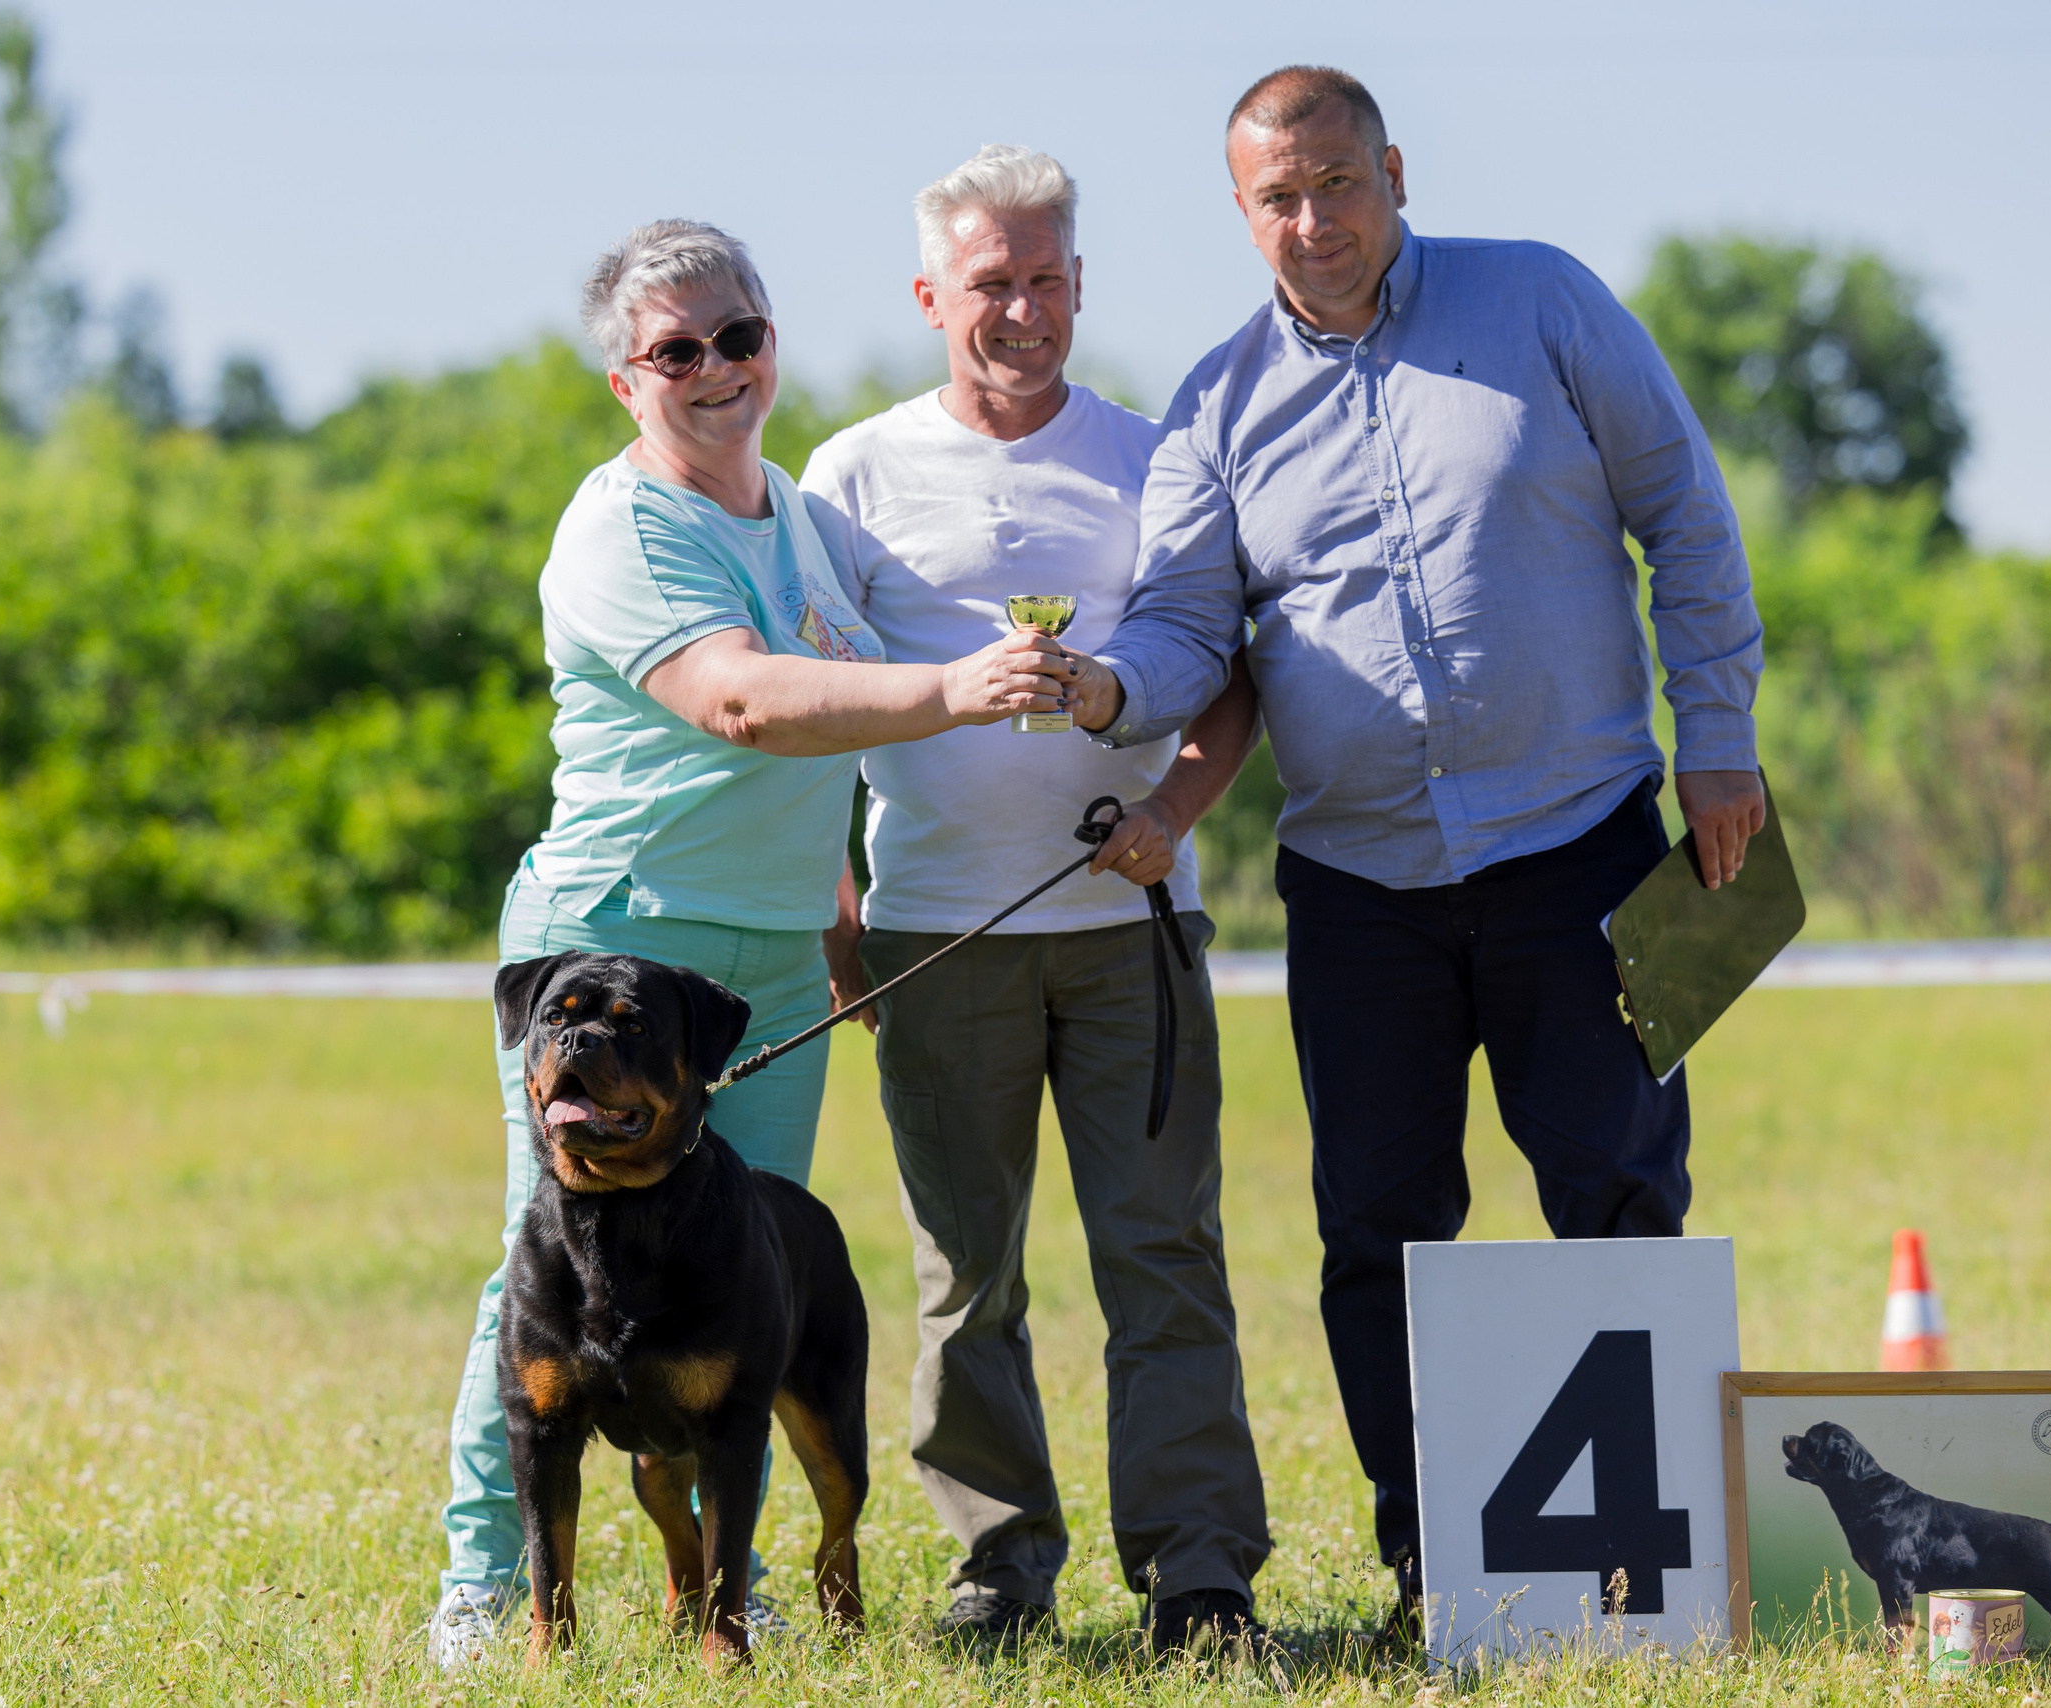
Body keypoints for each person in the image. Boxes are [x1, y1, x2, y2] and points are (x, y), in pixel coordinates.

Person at [1060, 67, 1769, 1631]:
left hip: (1582, 845)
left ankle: (1657, 1579)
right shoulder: (1217, 404)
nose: (1311, 221)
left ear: (1392, 169)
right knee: (1377, 1228)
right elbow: (1188, 624)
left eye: (1336, 183)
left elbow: (1688, 519)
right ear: (1240, 211)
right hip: (1357, 885)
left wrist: (1717, 738)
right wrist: (1112, 689)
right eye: (1276, 198)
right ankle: (1431, 1564)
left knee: (1618, 1193)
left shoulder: (1546, 303)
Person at [428, 218, 1075, 1667]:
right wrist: (963, 690)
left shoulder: (801, 512)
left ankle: (729, 1588)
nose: (715, 369)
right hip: (615, 941)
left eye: (740, 335)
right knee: (542, 1273)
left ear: (772, 341)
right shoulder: (622, 526)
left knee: (748, 1290)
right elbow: (742, 704)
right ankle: (486, 1591)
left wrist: (838, 917)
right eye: (676, 351)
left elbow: (815, 749)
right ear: (624, 381)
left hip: (772, 962)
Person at [798, 145, 1273, 1654]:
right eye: (990, 284)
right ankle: (998, 1570)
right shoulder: (852, 472)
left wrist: (1173, 813)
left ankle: (1200, 1579)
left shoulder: (1158, 457)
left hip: (1132, 933)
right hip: (938, 934)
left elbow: (1236, 677)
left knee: (1167, 1263)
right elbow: (814, 699)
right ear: (933, 294)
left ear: (1082, 284)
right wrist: (837, 902)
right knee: (966, 1278)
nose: (1021, 309)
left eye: (1047, 280)